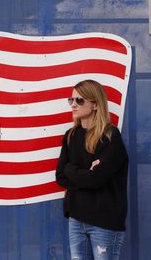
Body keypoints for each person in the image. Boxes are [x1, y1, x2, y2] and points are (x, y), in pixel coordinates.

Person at [55, 79, 129, 260]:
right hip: (76, 219)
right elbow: (61, 176)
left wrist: (71, 168)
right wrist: (84, 172)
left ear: (95, 104)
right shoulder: (71, 136)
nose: (73, 104)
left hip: (104, 221)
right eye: (71, 100)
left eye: (79, 100)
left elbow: (95, 179)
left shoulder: (110, 137)